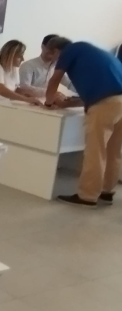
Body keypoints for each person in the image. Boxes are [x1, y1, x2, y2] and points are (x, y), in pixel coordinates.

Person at [45, 38, 122, 207]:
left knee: (96, 151)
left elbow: (54, 80)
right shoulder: (93, 52)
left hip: (105, 106)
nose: (55, 60)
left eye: (53, 56)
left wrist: (48, 103)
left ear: (56, 50)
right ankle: (107, 191)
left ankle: (87, 196)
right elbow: (95, 94)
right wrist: (66, 104)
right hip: (119, 102)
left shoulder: (70, 50)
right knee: (113, 150)